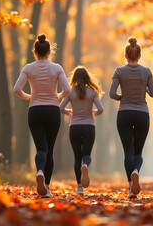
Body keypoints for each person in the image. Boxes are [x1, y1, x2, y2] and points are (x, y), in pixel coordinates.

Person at [13, 34, 71, 198]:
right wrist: (59, 96)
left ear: (35, 51)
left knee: (41, 148)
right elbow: (67, 90)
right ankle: (46, 186)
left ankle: (39, 171)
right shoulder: (57, 68)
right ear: (48, 52)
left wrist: (28, 97)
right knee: (50, 150)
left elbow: (16, 89)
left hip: (35, 111)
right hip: (52, 110)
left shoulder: (29, 68)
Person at [109, 37, 153, 198]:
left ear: (125, 55)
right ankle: (136, 170)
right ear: (139, 56)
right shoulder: (147, 72)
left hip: (125, 114)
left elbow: (112, 94)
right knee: (138, 152)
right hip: (142, 114)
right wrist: (144, 89)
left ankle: (130, 187)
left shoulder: (119, 71)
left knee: (128, 151)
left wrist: (123, 98)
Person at [60, 66, 104, 195]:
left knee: (76, 157)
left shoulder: (70, 92)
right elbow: (101, 109)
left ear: (74, 78)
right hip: (89, 126)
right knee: (87, 155)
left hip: (75, 127)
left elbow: (60, 107)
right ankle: (86, 165)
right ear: (87, 78)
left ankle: (79, 187)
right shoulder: (92, 92)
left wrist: (68, 111)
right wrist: (94, 112)